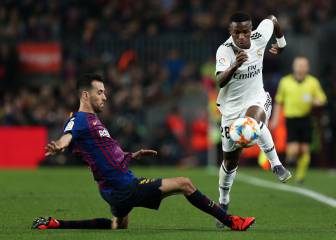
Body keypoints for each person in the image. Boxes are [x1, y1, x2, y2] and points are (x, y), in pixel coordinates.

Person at [32, 73, 255, 231]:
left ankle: (57, 223)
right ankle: (232, 222)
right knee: (185, 183)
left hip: (111, 189)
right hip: (124, 187)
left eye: (105, 92)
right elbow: (67, 136)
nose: (105, 97)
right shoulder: (79, 119)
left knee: (116, 225)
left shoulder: (93, 121)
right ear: (85, 95)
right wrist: (59, 145)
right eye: (99, 92)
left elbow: (104, 152)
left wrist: (131, 156)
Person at [214, 12, 291, 227]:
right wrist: (233, 66)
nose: (241, 36)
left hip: (256, 98)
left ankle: (275, 164)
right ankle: (223, 201)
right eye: (236, 32)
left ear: (251, 30)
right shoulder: (225, 50)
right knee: (230, 161)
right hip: (230, 109)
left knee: (255, 121)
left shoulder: (260, 36)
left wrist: (281, 44)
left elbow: (274, 19)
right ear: (231, 32)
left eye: (245, 32)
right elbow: (220, 81)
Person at [270, 57, 327, 183]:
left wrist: (318, 101)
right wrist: (274, 119)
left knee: (305, 149)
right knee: (294, 149)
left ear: (308, 68)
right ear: (293, 67)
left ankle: (300, 177)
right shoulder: (285, 82)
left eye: (303, 66)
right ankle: (289, 162)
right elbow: (279, 102)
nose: (301, 68)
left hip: (306, 119)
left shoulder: (313, 82)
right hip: (291, 119)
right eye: (298, 65)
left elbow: (322, 98)